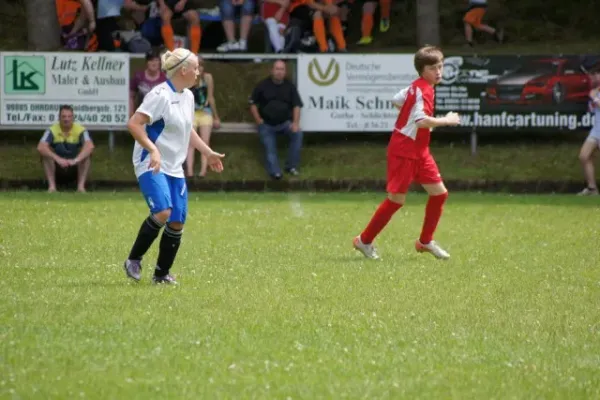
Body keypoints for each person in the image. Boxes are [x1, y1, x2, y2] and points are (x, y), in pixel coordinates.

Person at [123, 48, 225, 284]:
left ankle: (161, 275)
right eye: (195, 68)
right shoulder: (159, 95)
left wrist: (207, 152)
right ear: (183, 70)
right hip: (150, 162)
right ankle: (133, 259)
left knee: (177, 221)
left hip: (174, 166)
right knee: (163, 211)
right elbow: (134, 124)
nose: (198, 72)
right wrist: (153, 150)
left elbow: (187, 129)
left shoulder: (188, 96)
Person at [353, 46, 461, 260]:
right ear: (422, 70)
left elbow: (397, 99)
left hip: (420, 151)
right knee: (396, 200)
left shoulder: (419, 86)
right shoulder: (424, 89)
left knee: (439, 194)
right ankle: (363, 241)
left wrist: (409, 122)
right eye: (433, 68)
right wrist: (447, 120)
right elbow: (421, 121)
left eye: (440, 67)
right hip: (404, 151)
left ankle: (425, 242)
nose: (438, 72)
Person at [249, 60, 303, 179]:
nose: (279, 72)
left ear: (285, 72)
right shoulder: (263, 85)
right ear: (272, 71)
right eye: (277, 69)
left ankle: (291, 166)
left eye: (282, 69)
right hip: (266, 124)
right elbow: (252, 103)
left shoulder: (290, 87)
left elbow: (297, 105)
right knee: (270, 147)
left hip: (285, 124)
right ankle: (275, 172)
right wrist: (258, 119)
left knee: (298, 134)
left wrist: (295, 123)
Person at [37, 105, 95, 193]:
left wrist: (76, 160)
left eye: (69, 116)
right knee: (45, 155)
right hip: (57, 167)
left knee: (87, 155)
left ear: (73, 118)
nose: (66, 119)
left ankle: (80, 188)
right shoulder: (51, 130)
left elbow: (90, 146)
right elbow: (41, 147)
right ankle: (52, 187)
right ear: (59, 118)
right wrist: (58, 159)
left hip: (75, 166)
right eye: (63, 116)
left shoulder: (81, 130)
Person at [186, 57, 221, 178]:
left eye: (200, 66)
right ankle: (190, 172)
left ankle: (203, 171)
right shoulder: (186, 78)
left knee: (205, 142)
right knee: (191, 142)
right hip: (191, 113)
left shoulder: (207, 78)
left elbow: (210, 97)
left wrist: (216, 117)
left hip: (205, 112)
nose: (199, 68)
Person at [577, 72, 600, 195]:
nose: (595, 77)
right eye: (594, 74)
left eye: (597, 74)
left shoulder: (595, 94)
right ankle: (592, 189)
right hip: (596, 130)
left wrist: (594, 98)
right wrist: (592, 100)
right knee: (584, 156)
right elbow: (592, 110)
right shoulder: (595, 91)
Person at [129, 51, 167, 116]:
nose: (154, 63)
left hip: (159, 116)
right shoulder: (138, 76)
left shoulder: (165, 79)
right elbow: (131, 96)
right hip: (141, 115)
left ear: (160, 62)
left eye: (156, 60)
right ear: (147, 62)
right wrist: (131, 113)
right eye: (151, 60)